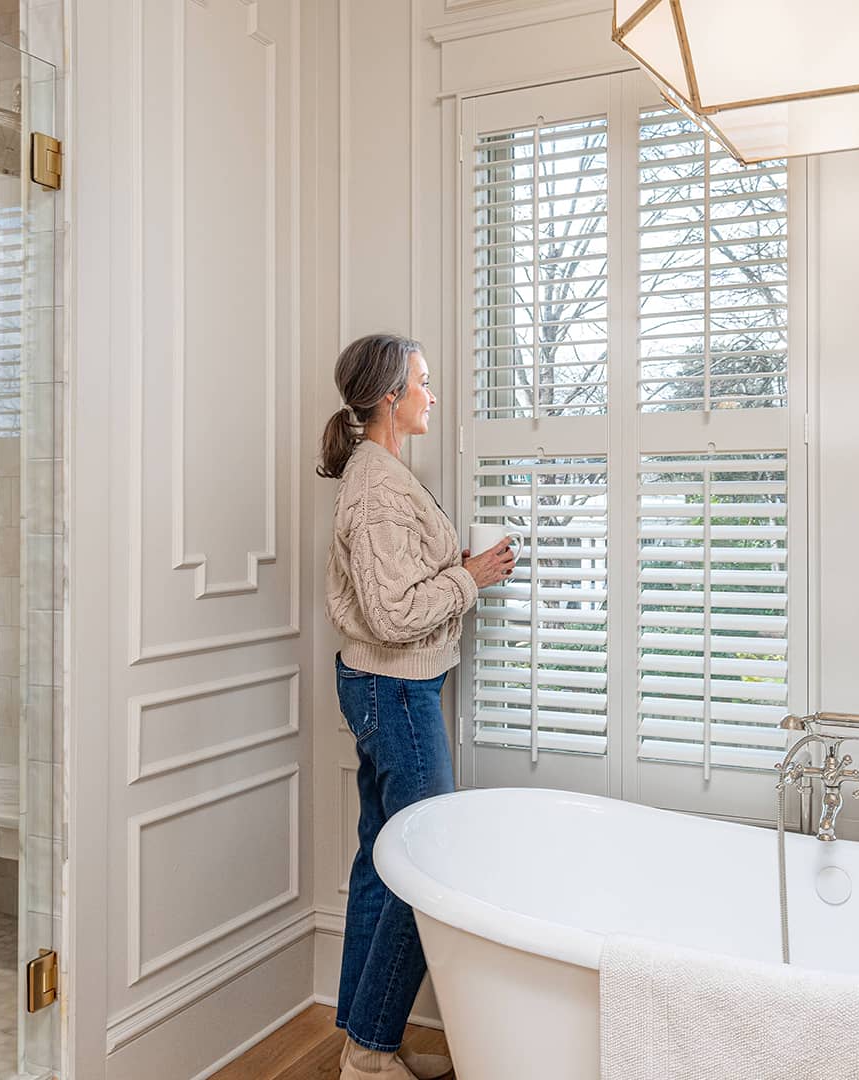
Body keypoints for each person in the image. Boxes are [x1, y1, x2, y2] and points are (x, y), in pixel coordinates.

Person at [319, 333, 515, 1080]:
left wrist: (460, 569)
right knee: (421, 863)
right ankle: (369, 1052)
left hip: (390, 686)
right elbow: (394, 614)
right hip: (394, 689)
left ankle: (365, 1043)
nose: (433, 395)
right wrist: (470, 577)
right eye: (424, 383)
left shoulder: (384, 475)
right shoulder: (375, 488)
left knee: (380, 864)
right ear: (390, 398)